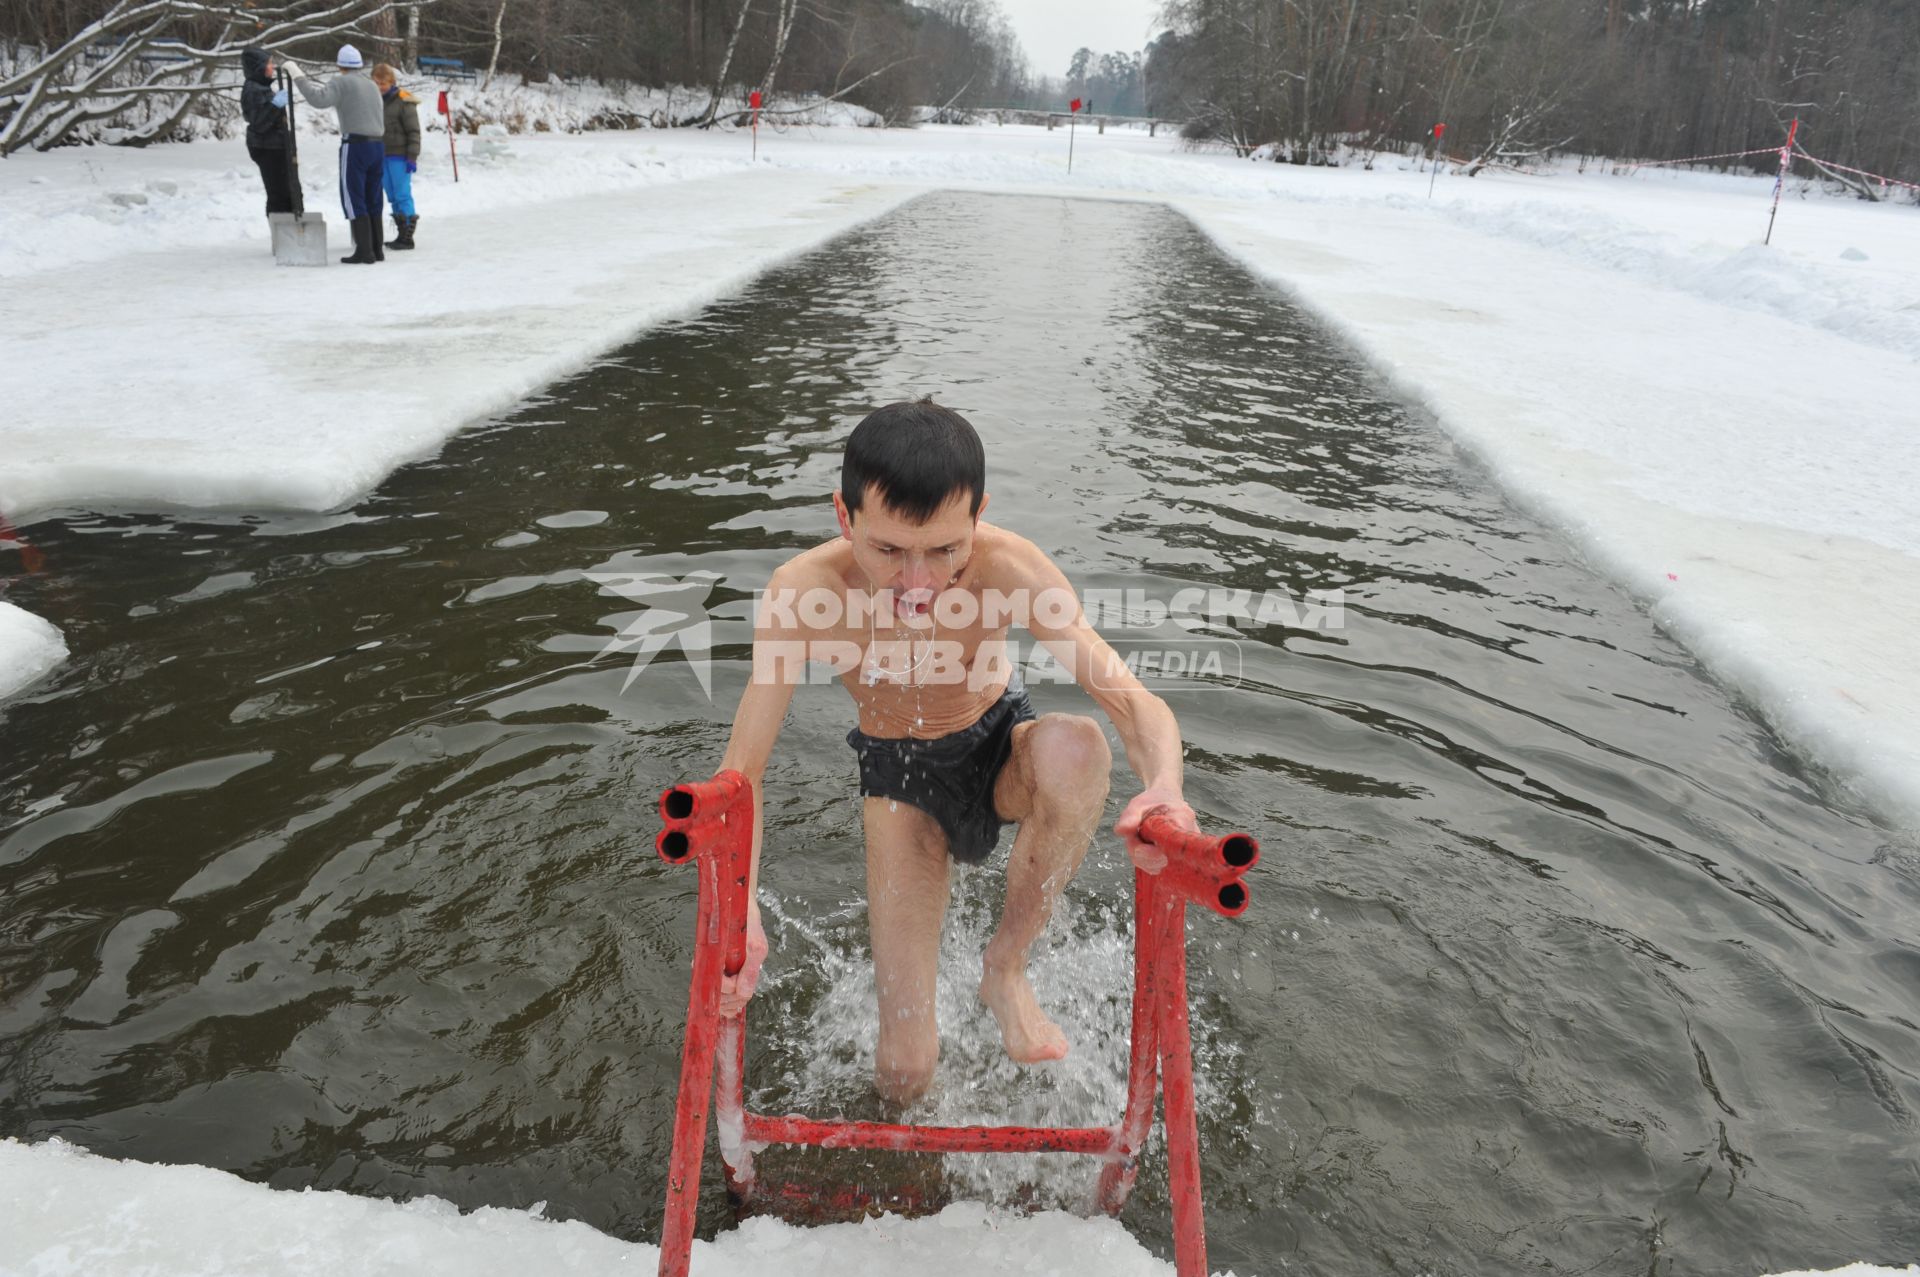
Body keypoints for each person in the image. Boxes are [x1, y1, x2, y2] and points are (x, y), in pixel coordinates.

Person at [710, 398, 1198, 1105]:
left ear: (977, 516)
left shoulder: (1009, 567)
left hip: (997, 744)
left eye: (944, 550)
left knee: (1078, 745)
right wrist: (741, 905)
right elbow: (744, 773)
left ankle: (1006, 966)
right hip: (898, 776)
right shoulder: (804, 592)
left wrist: (1167, 787)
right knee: (906, 1068)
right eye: (888, 551)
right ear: (845, 519)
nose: (918, 584)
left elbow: (1131, 701)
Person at [284, 45, 385, 265]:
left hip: (356, 145)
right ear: (359, 64)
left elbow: (318, 99)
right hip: (378, 146)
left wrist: (297, 75)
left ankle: (364, 251)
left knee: (353, 194)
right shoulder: (371, 84)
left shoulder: (341, 82)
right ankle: (377, 249)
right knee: (373, 195)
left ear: (340, 65)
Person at [369, 64, 422, 251]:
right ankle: (401, 233)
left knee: (402, 194)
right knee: (391, 195)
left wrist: (412, 156)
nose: (380, 87)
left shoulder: (403, 101)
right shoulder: (373, 100)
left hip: (399, 156)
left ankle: (408, 235)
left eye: (383, 83)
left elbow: (414, 131)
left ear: (391, 82)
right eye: (376, 83)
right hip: (382, 154)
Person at [238, 48, 293, 224]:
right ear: (258, 67)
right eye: (269, 63)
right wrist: (276, 105)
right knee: (278, 192)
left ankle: (286, 227)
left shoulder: (261, 88)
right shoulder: (252, 90)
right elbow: (259, 121)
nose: (272, 67)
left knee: (286, 191)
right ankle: (282, 230)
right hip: (267, 148)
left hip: (275, 146)